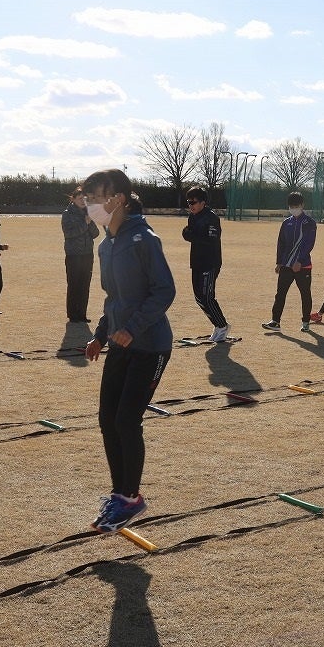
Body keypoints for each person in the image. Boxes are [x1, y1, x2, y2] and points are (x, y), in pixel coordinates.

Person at [82, 169, 176, 533]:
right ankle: (119, 495)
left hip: (150, 346)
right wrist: (101, 335)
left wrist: (132, 328)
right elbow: (113, 298)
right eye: (87, 199)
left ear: (118, 198)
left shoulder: (143, 240)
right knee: (108, 418)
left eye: (97, 197)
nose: (91, 205)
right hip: (120, 344)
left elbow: (164, 291)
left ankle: (131, 497)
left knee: (126, 420)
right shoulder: (105, 245)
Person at [263, 192, 316, 333]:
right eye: (291, 206)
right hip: (286, 265)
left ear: (302, 205)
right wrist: (279, 262)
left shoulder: (310, 223)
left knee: (305, 294)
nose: (294, 208)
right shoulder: (286, 222)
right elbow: (281, 243)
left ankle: (306, 322)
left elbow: (309, 244)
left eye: (296, 206)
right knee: (280, 293)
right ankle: (275, 321)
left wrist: (300, 260)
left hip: (303, 266)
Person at [181, 186, 228, 342]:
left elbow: (210, 240)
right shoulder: (193, 217)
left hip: (210, 263)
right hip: (196, 262)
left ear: (203, 202)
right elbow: (190, 234)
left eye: (193, 202)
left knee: (207, 296)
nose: (191, 205)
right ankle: (218, 324)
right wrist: (190, 234)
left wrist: (191, 235)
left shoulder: (211, 218)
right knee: (199, 297)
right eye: (188, 202)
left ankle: (222, 326)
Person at [61, 186, 100, 323]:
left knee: (85, 285)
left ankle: (82, 314)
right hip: (73, 255)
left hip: (87, 255)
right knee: (74, 285)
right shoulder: (67, 214)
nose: (83, 201)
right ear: (73, 199)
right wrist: (85, 224)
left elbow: (96, 234)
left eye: (84, 198)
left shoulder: (88, 212)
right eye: (79, 198)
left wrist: (89, 223)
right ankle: (73, 315)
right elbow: (69, 234)